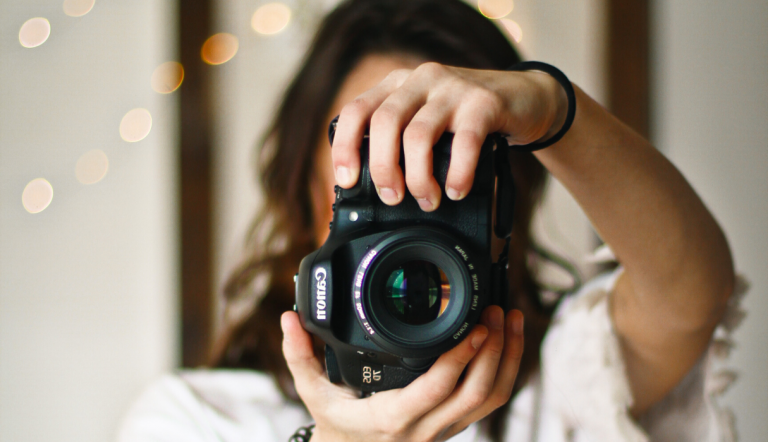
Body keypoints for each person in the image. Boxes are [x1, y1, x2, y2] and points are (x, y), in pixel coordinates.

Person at [117, 0, 746, 441]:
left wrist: (552, 107)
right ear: (304, 185)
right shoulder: (199, 419)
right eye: (369, 154)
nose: (408, 191)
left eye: (448, 160)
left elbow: (691, 296)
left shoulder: (559, 380)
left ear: (507, 199)